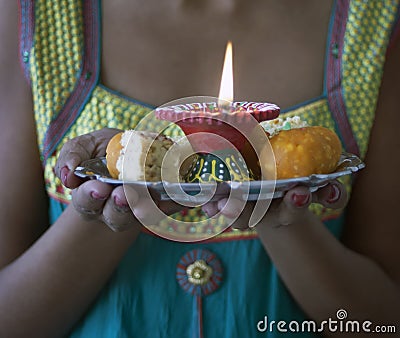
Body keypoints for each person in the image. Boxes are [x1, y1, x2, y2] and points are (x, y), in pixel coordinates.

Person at [0, 0, 399, 337]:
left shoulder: (373, 22)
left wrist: (279, 213)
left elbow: (381, 322)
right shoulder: (36, 16)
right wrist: (116, 198)